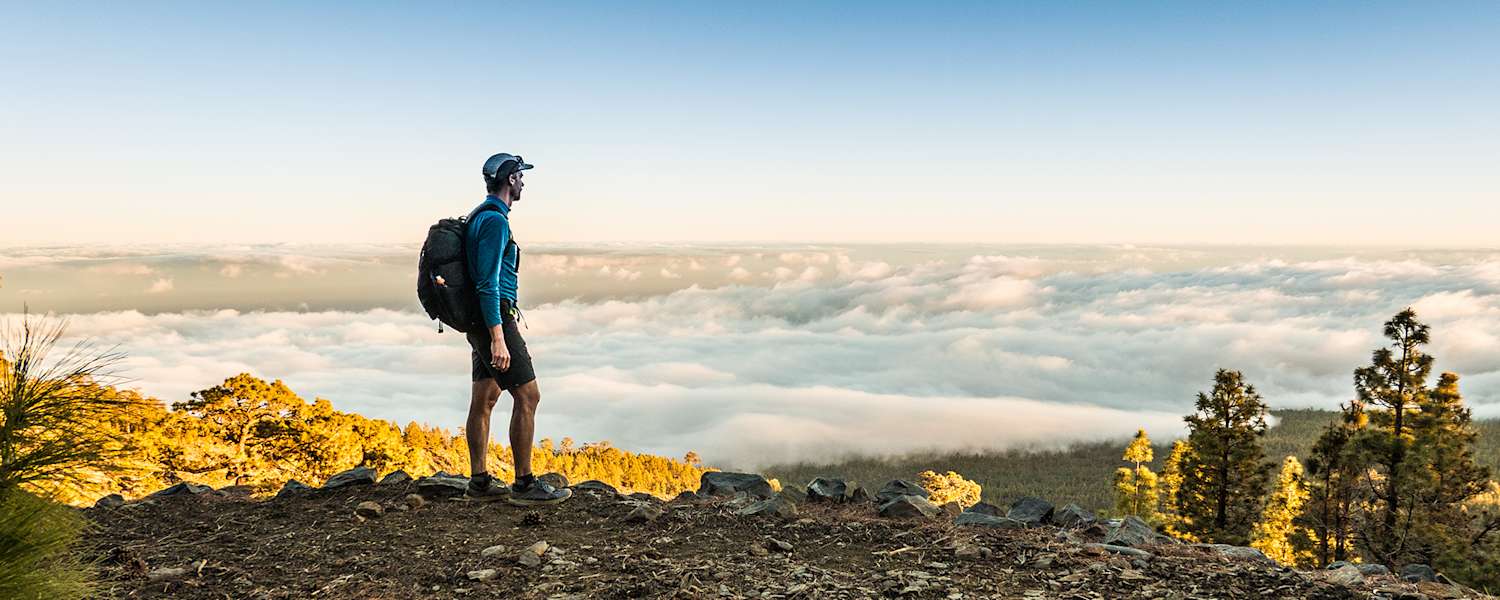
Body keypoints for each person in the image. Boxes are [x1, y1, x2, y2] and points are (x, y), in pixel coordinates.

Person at [462, 152, 571, 506]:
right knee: (528, 396)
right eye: (521, 176)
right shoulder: (494, 221)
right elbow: (488, 282)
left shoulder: (479, 215)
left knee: (484, 398)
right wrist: (498, 337)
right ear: (510, 180)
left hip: (478, 321)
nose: (524, 182)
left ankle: (478, 483)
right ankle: (524, 485)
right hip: (494, 320)